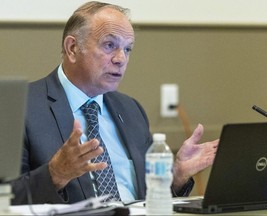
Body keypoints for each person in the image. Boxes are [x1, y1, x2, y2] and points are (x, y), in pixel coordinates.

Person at [11, 1, 218, 205]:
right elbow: (7, 197)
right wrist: (55, 174)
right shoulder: (21, 107)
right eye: (110, 45)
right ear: (72, 48)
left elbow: (149, 200)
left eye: (127, 49)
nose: (121, 59)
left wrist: (176, 177)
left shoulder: (131, 110)